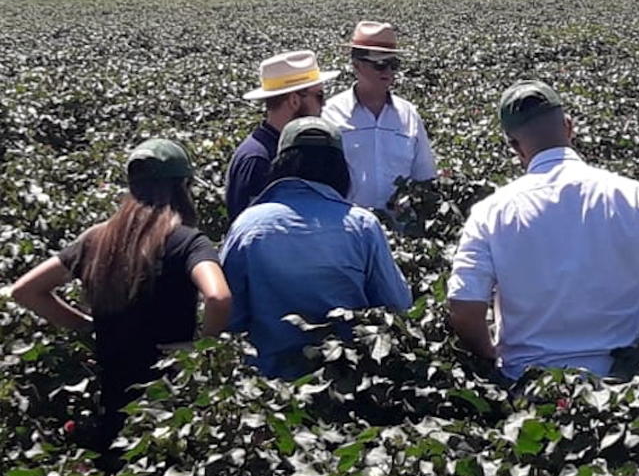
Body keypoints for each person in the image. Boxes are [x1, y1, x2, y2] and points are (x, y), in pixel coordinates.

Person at [447, 80, 639, 381]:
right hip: (624, 380)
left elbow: (464, 306)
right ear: (569, 127)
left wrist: (489, 352)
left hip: (532, 385)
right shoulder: (633, 195)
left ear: (514, 146)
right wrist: (631, 285)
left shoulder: (491, 212)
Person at [11, 139, 231, 451]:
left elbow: (25, 290)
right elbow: (218, 297)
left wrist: (88, 327)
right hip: (171, 399)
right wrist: (199, 352)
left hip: (114, 399)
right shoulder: (187, 241)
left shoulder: (97, 239)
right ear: (183, 187)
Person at [221, 118, 413, 379]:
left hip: (267, 393)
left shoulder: (247, 226)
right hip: (346, 382)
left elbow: (229, 318)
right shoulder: (362, 225)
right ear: (339, 168)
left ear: (280, 165)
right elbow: (397, 303)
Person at [323, 20, 437, 212]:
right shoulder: (330, 114)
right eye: (380, 65)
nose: (389, 72)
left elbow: (424, 176)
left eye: (393, 64)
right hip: (349, 231)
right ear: (357, 65)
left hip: (401, 233)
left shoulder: (408, 114)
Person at [226, 50, 339, 219]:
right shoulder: (258, 159)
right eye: (319, 96)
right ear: (294, 100)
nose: (324, 103)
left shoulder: (279, 147)